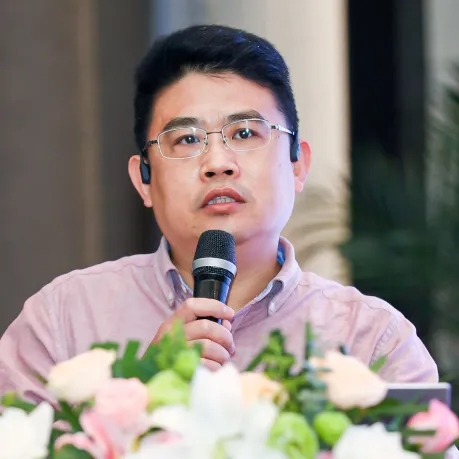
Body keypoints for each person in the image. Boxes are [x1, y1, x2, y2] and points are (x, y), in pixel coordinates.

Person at [0, 24, 437, 404]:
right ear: (143, 180)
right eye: (187, 139)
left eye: (244, 133)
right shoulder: (63, 321)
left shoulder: (372, 341)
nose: (217, 162)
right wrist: (143, 391)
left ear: (297, 165)